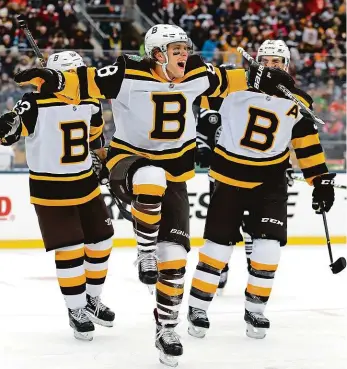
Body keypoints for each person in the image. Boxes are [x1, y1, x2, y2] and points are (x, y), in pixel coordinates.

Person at [13, 27, 295, 366]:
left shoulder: (196, 72)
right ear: (158, 53)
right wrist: (54, 80)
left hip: (175, 176)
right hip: (128, 163)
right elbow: (83, 82)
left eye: (185, 48)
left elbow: (229, 80)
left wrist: (263, 78)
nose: (184, 54)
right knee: (151, 176)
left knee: (174, 258)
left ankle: (166, 328)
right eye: (176, 49)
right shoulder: (125, 71)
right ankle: (143, 252)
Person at [187, 40, 335, 340]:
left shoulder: (298, 100)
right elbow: (194, 81)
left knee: (267, 249)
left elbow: (306, 145)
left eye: (277, 62)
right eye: (266, 61)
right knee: (217, 248)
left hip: (271, 180)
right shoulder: (233, 85)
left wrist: (319, 179)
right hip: (228, 177)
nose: (271, 66)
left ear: (287, 66)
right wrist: (241, 77)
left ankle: (256, 309)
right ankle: (197, 306)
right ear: (257, 62)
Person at [0, 51, 115, 341]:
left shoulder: (90, 101)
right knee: (71, 249)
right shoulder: (35, 101)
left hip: (86, 184)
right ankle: (76, 309)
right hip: (51, 189)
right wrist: (7, 128)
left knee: (101, 241)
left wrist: (100, 160)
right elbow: (11, 132)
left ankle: (91, 298)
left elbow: (96, 140)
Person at [195, 95, 296, 294]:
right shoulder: (210, 115)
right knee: (222, 231)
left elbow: (274, 143)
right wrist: (204, 151)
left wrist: (285, 167)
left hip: (254, 178)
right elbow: (200, 137)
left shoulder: (249, 108)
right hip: (221, 179)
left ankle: (254, 266)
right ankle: (220, 268)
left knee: (253, 226)